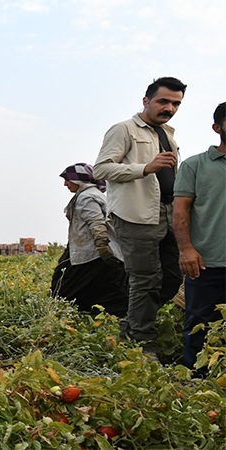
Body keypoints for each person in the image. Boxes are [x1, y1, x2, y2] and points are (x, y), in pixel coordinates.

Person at [93, 77, 186, 355]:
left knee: (173, 275)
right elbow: (101, 169)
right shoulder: (124, 130)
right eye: (163, 101)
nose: (169, 107)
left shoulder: (167, 134)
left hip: (167, 213)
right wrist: (144, 168)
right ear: (146, 101)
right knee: (145, 279)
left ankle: (132, 325)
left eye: (176, 103)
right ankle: (142, 344)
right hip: (135, 215)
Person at [173, 102, 226, 371]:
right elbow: (180, 208)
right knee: (199, 326)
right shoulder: (195, 165)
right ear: (217, 128)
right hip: (207, 262)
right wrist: (186, 250)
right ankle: (196, 384)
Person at [51, 163, 128, 317]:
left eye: (68, 179)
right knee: (106, 289)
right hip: (97, 252)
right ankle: (109, 320)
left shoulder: (86, 197)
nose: (65, 184)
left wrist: (102, 248)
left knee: (64, 288)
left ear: (79, 180)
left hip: (91, 253)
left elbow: (96, 223)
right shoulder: (95, 195)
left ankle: (69, 319)